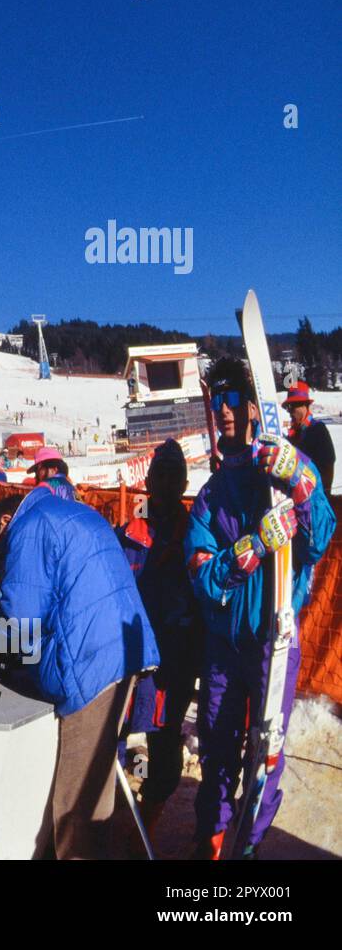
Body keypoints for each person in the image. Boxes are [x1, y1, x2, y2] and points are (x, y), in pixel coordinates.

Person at [186, 359, 335, 859]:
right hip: (225, 646)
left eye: (232, 400)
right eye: (216, 401)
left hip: (276, 638)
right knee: (217, 747)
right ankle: (211, 837)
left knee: (265, 751)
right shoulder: (209, 497)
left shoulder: (285, 463)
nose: (223, 411)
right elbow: (204, 576)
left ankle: (246, 845)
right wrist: (250, 548)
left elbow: (320, 540)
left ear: (253, 408)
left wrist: (297, 478)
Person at [0, 454, 159, 859]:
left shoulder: (28, 527)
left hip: (92, 657)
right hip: (125, 649)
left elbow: (22, 620)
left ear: (4, 522)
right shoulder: (71, 513)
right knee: (96, 779)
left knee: (75, 802)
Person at [116, 439, 202, 847]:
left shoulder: (195, 535)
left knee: (164, 750)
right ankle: (117, 808)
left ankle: (144, 824)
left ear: (184, 482)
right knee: (112, 739)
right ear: (148, 481)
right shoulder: (128, 532)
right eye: (160, 475)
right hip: (126, 659)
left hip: (173, 662)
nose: (166, 484)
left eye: (174, 476)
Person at [282, 382, 334, 494]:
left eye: (292, 407)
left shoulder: (318, 429)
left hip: (314, 495)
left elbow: (328, 465)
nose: (289, 412)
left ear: (304, 405)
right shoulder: (294, 433)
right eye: (288, 407)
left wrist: (323, 494)